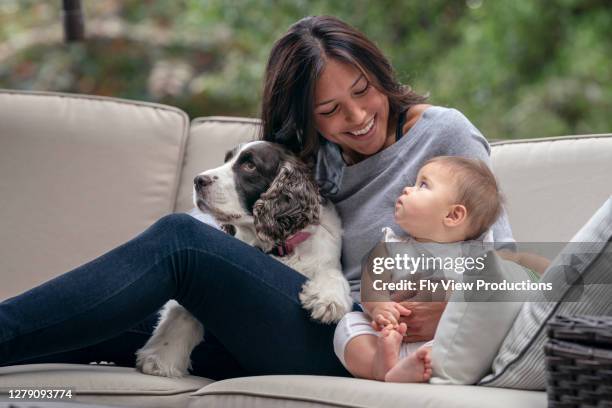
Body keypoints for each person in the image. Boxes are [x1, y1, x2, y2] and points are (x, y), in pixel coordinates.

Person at [0, 16, 513, 379]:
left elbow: (506, 265)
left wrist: (446, 305)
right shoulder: (317, 156)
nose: (356, 117)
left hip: (358, 341)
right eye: (331, 109)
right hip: (296, 317)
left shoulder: (444, 135)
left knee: (180, 241)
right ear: (307, 117)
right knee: (113, 311)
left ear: (380, 75)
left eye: (363, 90)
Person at [333, 155, 504, 383]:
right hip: (389, 336)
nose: (407, 189)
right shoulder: (391, 245)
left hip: (439, 342)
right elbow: (372, 282)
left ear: (453, 215)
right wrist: (379, 307)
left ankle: (415, 368)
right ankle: (380, 366)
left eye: (422, 185)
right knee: (348, 326)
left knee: (481, 338)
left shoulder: (475, 254)